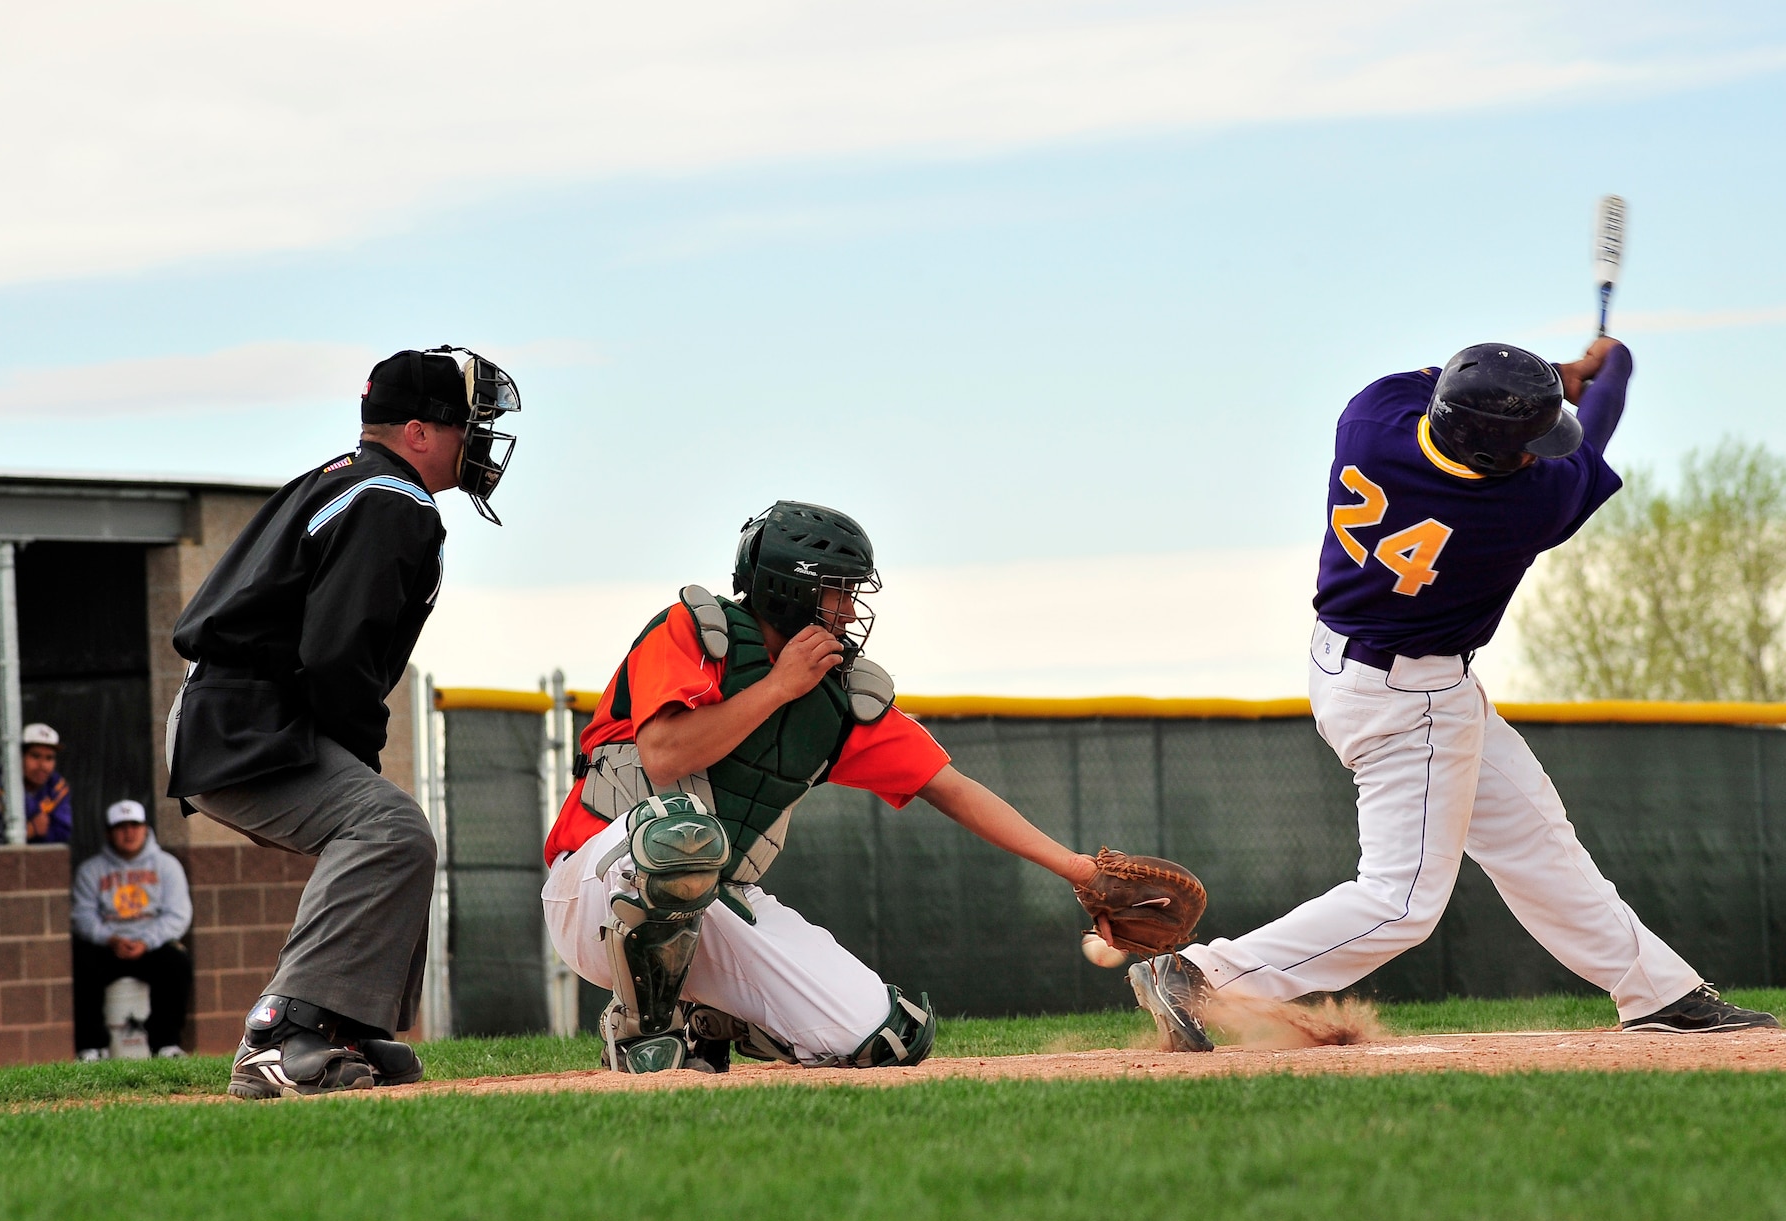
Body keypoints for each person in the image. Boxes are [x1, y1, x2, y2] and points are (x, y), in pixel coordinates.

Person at [1130, 338, 1779, 1048]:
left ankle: (1661, 992)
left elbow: (1455, 381)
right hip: (1411, 698)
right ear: (1494, 455)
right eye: (1528, 440)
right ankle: (1203, 975)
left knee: (1536, 840)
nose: (1539, 450)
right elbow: (1601, 419)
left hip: (1353, 660)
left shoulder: (1372, 415)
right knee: (1400, 901)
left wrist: (1545, 381)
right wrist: (1610, 361)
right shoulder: (1517, 508)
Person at [542, 500, 1103, 1073]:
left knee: (886, 1036)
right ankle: (640, 1030)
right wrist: (779, 686)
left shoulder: (832, 700)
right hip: (595, 890)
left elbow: (951, 787)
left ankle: (718, 1015)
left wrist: (1080, 870)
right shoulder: (691, 630)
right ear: (791, 588)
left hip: (713, 905)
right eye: (838, 591)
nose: (850, 608)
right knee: (678, 837)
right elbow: (664, 756)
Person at [166, 346, 522, 1099]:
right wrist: (357, 748)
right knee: (389, 830)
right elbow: (336, 652)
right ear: (419, 433)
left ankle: (342, 1025)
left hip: (233, 712)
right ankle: (281, 1032)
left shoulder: (348, 478)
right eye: (465, 425)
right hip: (246, 719)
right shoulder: (393, 498)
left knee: (393, 831)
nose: (476, 440)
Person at [70, 800, 193, 1060]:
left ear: (146, 829)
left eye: (135, 825)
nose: (129, 832)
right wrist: (110, 938)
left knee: (177, 961)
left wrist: (146, 941)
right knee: (80, 963)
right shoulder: (91, 870)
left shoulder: (167, 866)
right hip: (108, 947)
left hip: (152, 946)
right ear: (108, 833)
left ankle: (166, 1045)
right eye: (121, 827)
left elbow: (178, 915)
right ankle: (92, 1047)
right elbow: (82, 916)